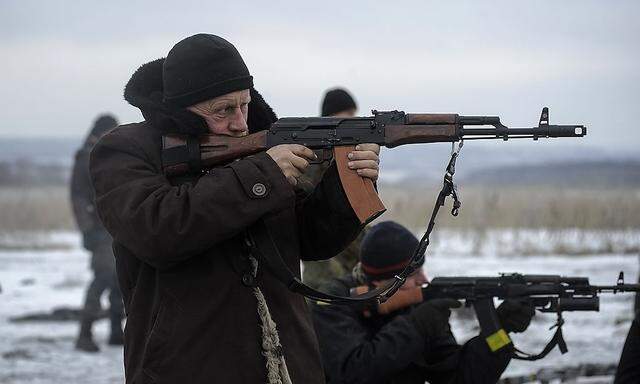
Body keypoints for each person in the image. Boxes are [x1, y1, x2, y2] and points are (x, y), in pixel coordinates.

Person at [89, 34, 380, 383]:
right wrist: (262, 175)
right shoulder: (127, 150)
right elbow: (156, 230)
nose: (241, 122)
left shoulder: (256, 146)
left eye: (245, 105)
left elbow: (309, 240)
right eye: (224, 109)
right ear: (182, 107)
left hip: (285, 362)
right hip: (186, 366)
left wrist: (346, 183)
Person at [312, 221, 535, 384]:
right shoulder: (335, 300)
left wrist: (499, 332)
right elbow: (350, 373)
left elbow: (459, 379)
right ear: (384, 279)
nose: (424, 280)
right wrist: (416, 327)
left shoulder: (417, 304)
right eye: (414, 274)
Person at [70, 114, 124, 352]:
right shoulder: (86, 158)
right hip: (99, 231)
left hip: (114, 228)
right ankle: (85, 334)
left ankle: (115, 332)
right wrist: (88, 230)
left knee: (118, 280)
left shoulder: (106, 154)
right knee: (103, 278)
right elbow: (78, 197)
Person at [302, 87, 362, 290]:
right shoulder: (314, 151)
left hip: (342, 251)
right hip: (322, 263)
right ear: (331, 116)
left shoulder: (337, 149)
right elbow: (308, 199)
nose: (354, 120)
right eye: (348, 115)